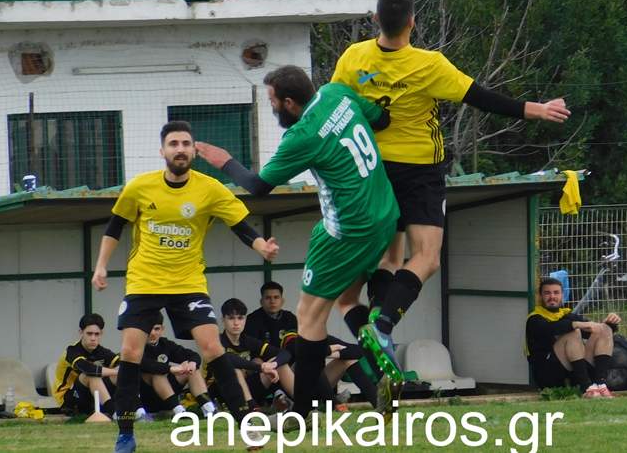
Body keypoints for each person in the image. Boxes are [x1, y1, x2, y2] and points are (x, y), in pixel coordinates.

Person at [330, 0, 571, 380]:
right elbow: (482, 97)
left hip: (372, 170)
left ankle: (375, 323)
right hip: (419, 172)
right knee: (426, 257)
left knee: (389, 258)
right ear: (412, 22)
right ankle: (383, 325)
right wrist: (537, 110)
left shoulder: (353, 57)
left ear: (375, 20)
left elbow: (337, 103)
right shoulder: (429, 64)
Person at [195, 64, 399, 424]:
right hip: (384, 211)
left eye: (273, 102)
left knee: (307, 319)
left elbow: (258, 186)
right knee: (347, 299)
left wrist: (223, 160)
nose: (273, 107)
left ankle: (302, 412)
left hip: (345, 230)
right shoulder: (337, 93)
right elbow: (382, 119)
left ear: (289, 102)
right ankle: (378, 342)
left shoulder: (302, 135)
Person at [91, 120, 279, 453]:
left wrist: (261, 245)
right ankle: (126, 434)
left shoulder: (210, 189)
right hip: (145, 282)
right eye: (174, 144)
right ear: (162, 151)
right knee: (131, 352)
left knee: (213, 348)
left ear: (194, 151)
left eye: (186, 144)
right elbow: (115, 226)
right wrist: (101, 265)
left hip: (188, 282)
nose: (180, 149)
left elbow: (240, 225)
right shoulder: (140, 187)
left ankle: (247, 427)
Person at [244, 282, 379, 409]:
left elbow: (357, 351)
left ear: (282, 300)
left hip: (302, 378)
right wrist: (325, 351)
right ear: (261, 301)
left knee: (345, 360)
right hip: (274, 375)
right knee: (306, 359)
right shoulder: (253, 320)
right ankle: (333, 404)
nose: (272, 301)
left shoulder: (291, 319)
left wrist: (333, 353)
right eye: (268, 298)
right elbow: (261, 357)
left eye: (276, 297)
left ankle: (378, 403)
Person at [525, 278, 620, 398]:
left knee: (604, 329)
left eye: (556, 293)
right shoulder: (534, 319)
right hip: (548, 376)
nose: (552, 297)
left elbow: (592, 331)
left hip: (573, 372)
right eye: (547, 293)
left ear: (562, 295)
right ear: (540, 296)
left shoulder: (566, 315)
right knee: (572, 332)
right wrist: (577, 324)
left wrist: (609, 323)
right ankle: (586, 388)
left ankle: (600, 384)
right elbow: (551, 328)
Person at [205, 298, 295, 411]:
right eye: (231, 318)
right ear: (223, 320)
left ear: (245, 320)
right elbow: (228, 359)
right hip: (219, 392)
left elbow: (285, 353)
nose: (236, 323)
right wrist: (260, 367)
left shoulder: (247, 340)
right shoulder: (216, 341)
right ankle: (251, 408)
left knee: (280, 364)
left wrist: (274, 364)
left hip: (245, 389)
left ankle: (303, 403)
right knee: (236, 370)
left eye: (240, 318)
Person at [139, 312, 216, 417]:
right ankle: (180, 412)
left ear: (162, 329)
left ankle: (209, 409)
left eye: (156, 329)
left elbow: (192, 355)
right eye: (149, 329)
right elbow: (146, 365)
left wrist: (192, 363)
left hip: (168, 395)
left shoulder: (165, 344)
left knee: (191, 370)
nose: (152, 333)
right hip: (147, 398)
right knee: (157, 374)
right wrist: (171, 369)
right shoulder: (135, 346)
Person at [53, 314, 118, 416]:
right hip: (67, 399)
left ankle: (135, 410)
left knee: (121, 374)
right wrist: (116, 371)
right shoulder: (72, 351)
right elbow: (88, 369)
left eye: (97, 334)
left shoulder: (101, 351)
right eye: (89, 334)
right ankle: (113, 412)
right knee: (90, 375)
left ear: (101, 334)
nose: (93, 338)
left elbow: (122, 364)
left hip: (89, 395)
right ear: (81, 332)